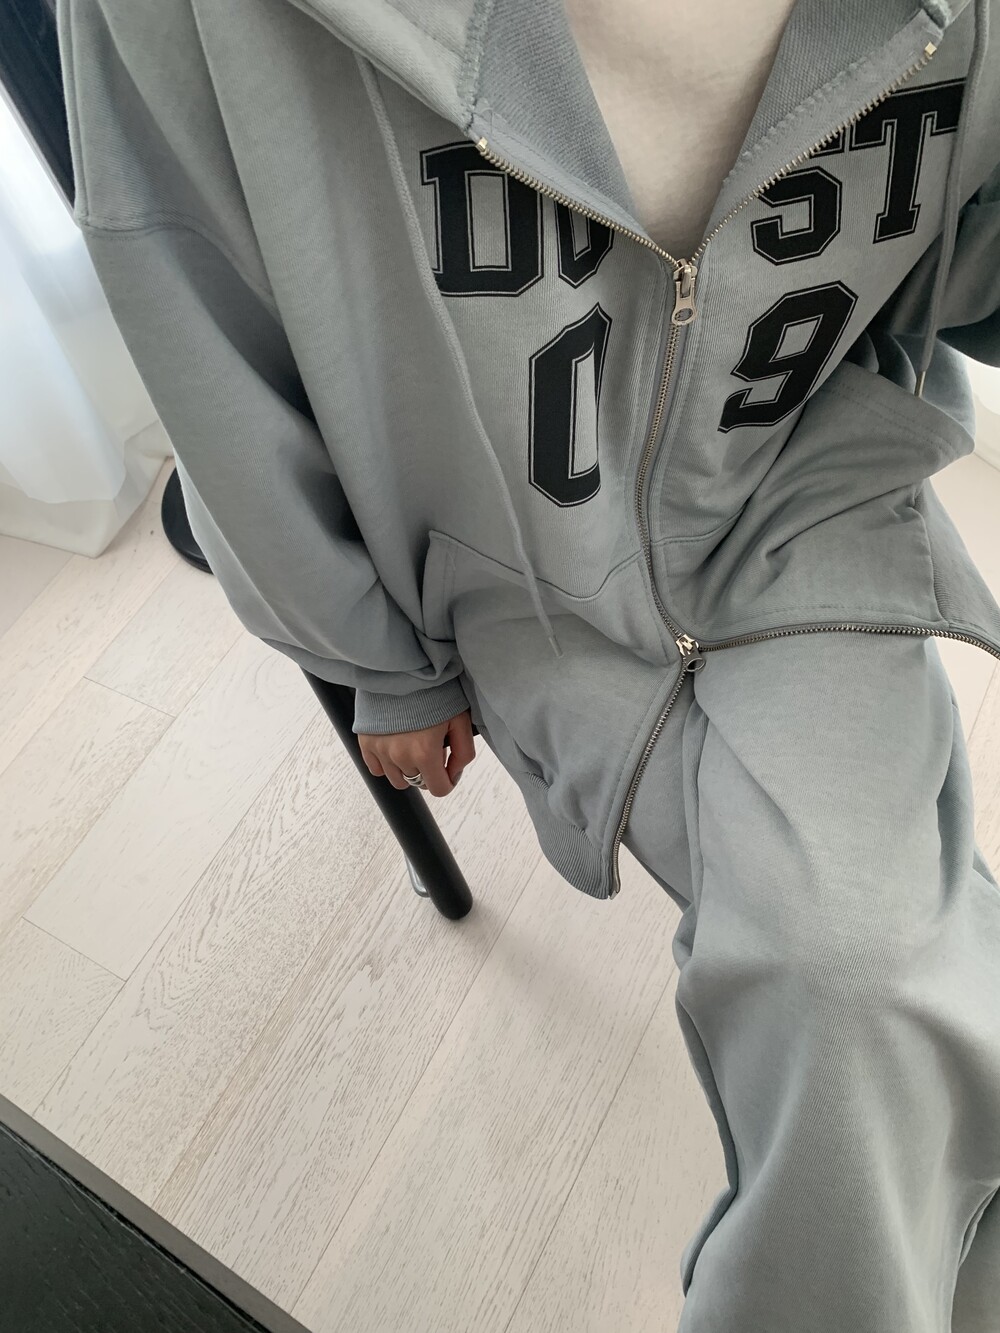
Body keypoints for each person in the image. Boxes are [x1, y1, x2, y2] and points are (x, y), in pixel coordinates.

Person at [57, 0, 1000, 1327]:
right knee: (864, 995)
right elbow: (196, 310)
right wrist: (373, 653)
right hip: (502, 546)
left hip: (800, 479)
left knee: (861, 970)